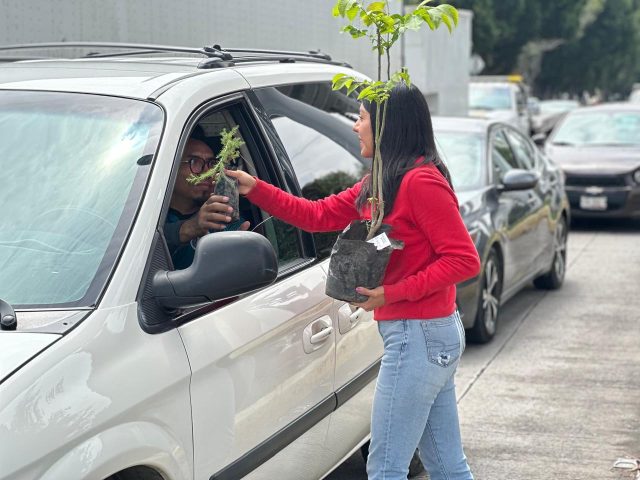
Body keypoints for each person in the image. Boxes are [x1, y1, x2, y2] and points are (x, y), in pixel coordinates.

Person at [227, 83, 481, 480]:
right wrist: (256, 188)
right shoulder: (382, 185)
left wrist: (390, 294)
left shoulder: (420, 182)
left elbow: (464, 260)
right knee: (448, 467)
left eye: (361, 118)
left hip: (419, 337)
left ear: (385, 127)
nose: (354, 127)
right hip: (425, 336)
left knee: (385, 469)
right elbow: (316, 215)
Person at [165, 135, 249, 270]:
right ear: (171, 169)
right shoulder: (148, 219)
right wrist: (188, 229)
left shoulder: (223, 218)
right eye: (194, 162)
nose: (207, 172)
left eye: (212, 164)